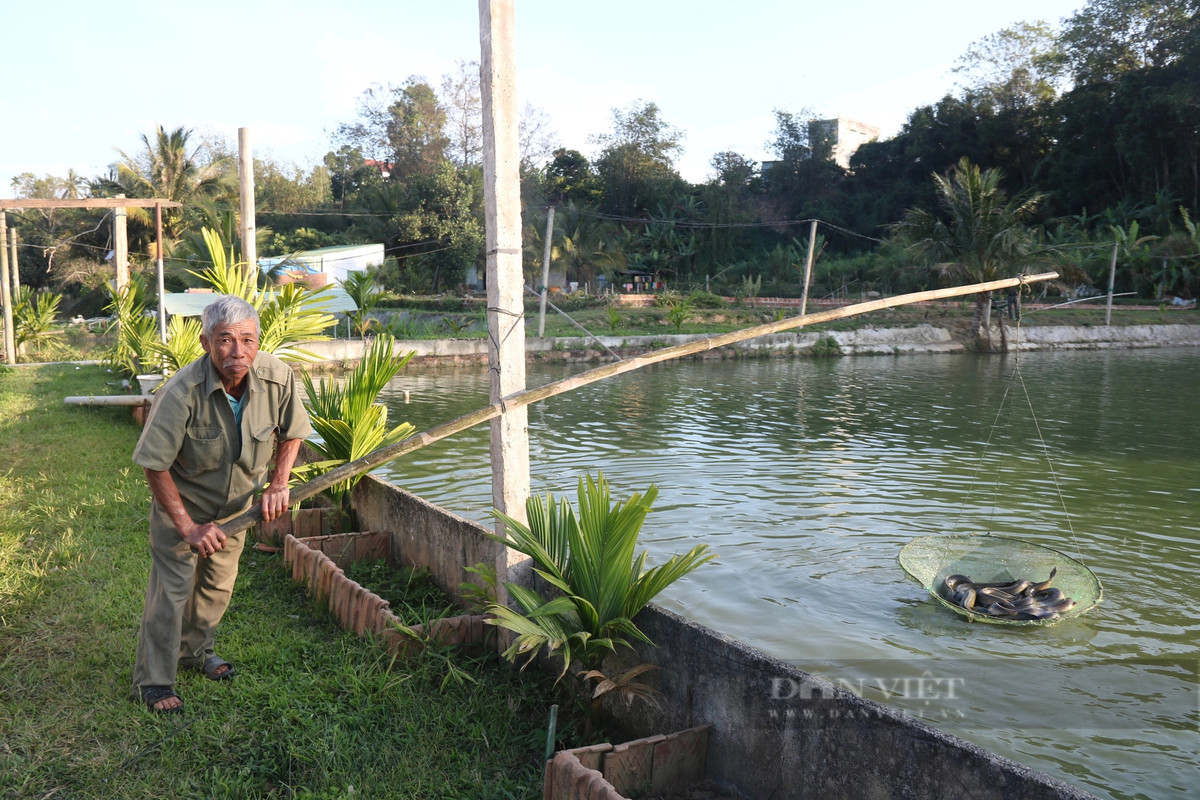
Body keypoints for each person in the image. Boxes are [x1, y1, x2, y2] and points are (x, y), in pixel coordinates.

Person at [129, 295, 311, 713]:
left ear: (258, 340)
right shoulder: (181, 391)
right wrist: (188, 527)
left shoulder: (277, 377)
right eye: (225, 339)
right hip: (184, 510)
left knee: (216, 587)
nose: (238, 352)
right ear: (205, 342)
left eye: (248, 340)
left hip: (237, 509)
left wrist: (278, 483)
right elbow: (155, 465)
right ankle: (153, 682)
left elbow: (294, 431)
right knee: (172, 592)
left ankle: (195, 653)